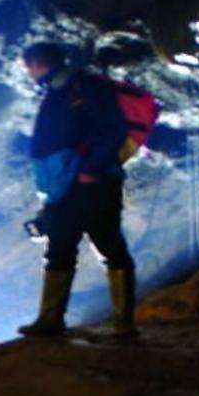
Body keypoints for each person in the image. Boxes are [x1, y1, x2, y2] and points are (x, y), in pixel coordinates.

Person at [19, 42, 138, 338]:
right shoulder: (60, 91)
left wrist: (90, 171)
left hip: (89, 181)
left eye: (28, 66)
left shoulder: (82, 87)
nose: (27, 72)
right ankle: (51, 320)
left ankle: (122, 321)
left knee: (106, 243)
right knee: (61, 245)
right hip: (65, 184)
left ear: (37, 63)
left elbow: (112, 129)